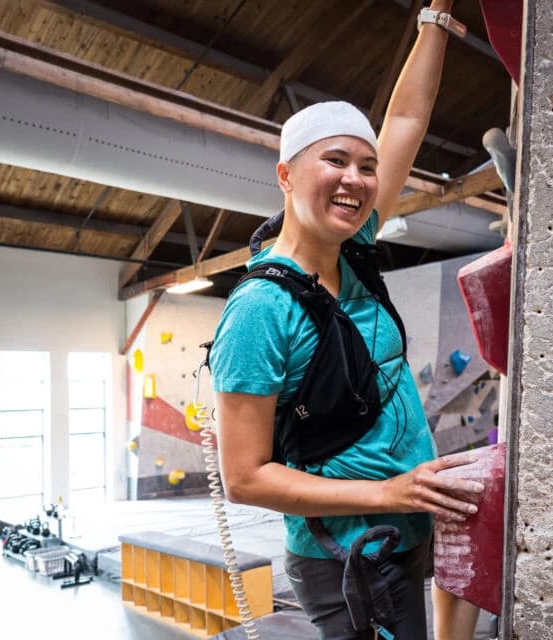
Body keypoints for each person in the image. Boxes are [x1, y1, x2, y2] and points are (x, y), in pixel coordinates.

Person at [210, 2, 484, 638]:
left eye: (366, 167)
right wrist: (389, 494)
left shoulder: (353, 253)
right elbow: (244, 478)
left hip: (408, 520)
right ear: (286, 174)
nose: (356, 180)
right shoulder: (259, 311)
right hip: (349, 551)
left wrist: (434, 21)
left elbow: (408, 118)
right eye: (335, 161)